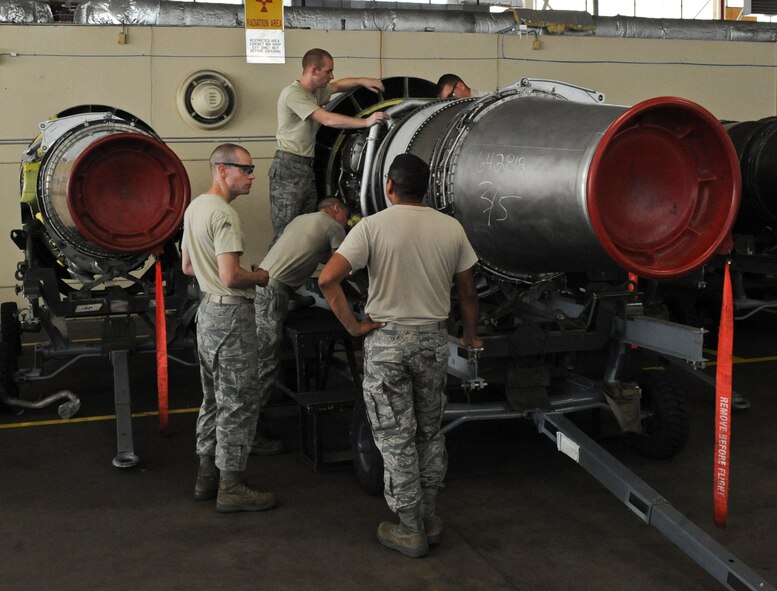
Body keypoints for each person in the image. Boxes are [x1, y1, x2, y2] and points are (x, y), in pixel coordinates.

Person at [318, 154, 482, 558]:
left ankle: (409, 529)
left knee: (395, 438)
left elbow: (327, 279)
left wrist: (354, 326)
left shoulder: (372, 227)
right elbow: (467, 293)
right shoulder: (451, 228)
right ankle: (428, 518)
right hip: (432, 341)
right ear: (426, 188)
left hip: (387, 342)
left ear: (389, 186)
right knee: (428, 433)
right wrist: (471, 335)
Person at [181, 143, 278, 513]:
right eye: (246, 169)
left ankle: (207, 476)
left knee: (213, 398)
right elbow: (232, 276)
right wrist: (262, 276)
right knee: (238, 401)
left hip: (206, 312)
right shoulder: (223, 215)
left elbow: (189, 267)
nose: (252, 176)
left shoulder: (194, 209)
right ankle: (232, 486)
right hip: (231, 317)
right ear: (222, 170)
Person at [252, 197, 350, 449]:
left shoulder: (302, 220)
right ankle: (250, 435)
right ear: (336, 208)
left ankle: (251, 423)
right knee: (265, 364)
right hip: (274, 294)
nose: (347, 222)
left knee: (263, 360)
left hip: (265, 288)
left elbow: (304, 254)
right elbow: (343, 266)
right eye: (346, 216)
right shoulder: (332, 225)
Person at [269, 47, 389, 242]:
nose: (332, 76)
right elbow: (327, 119)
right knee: (285, 235)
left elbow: (339, 85)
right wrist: (366, 122)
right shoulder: (293, 94)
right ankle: (275, 272)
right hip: (288, 169)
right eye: (328, 71)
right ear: (314, 70)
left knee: (308, 231)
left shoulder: (315, 92)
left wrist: (362, 81)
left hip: (305, 167)